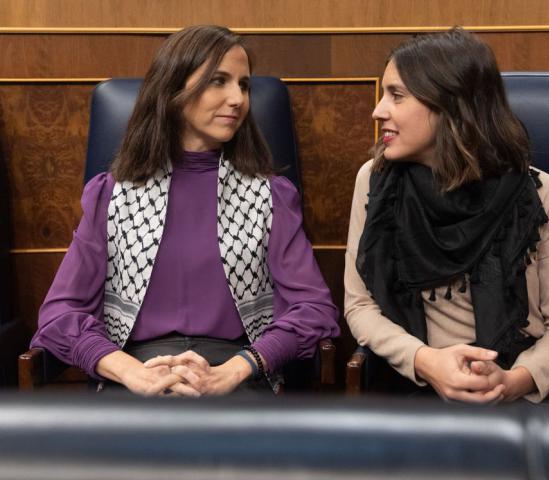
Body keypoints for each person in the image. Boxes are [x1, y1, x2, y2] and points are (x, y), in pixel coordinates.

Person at [31, 25, 339, 397]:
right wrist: (129, 372)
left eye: (243, 85)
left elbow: (314, 310)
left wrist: (237, 370)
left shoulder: (271, 196)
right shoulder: (110, 195)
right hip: (134, 374)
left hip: (237, 374)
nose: (237, 99)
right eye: (218, 81)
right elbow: (59, 315)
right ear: (173, 90)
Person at [344, 28, 549, 404]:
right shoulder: (375, 182)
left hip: (518, 388)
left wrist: (512, 382)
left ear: (450, 106)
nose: (377, 110)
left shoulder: (540, 195)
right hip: (415, 383)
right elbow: (360, 306)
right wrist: (425, 361)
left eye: (396, 95)